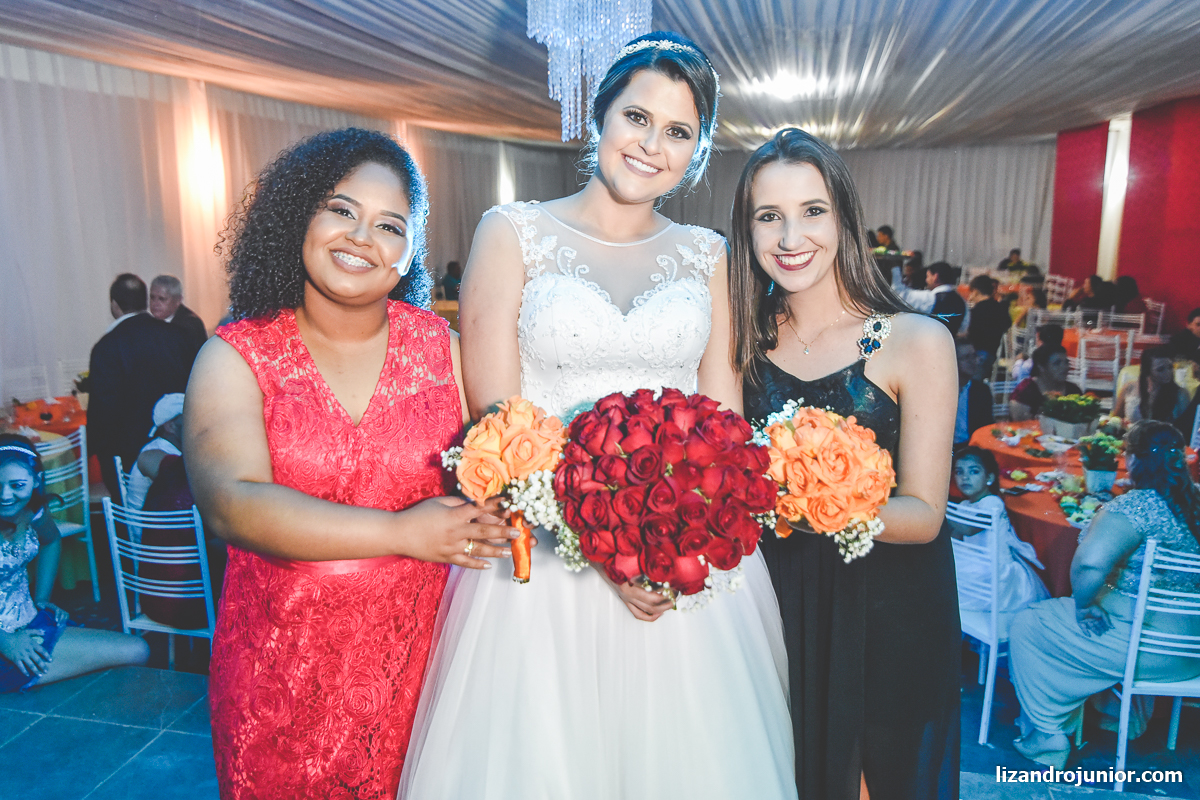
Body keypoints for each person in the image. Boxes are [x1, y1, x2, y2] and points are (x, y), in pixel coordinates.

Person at [400, 34, 796, 799]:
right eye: (637, 118)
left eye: (678, 132)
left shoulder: (708, 255)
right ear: (599, 116)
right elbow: (499, 423)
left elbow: (723, 425)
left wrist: (674, 541)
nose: (652, 145)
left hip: (680, 563)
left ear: (700, 150)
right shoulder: (510, 233)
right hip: (545, 561)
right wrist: (604, 548)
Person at [184, 128, 515, 799]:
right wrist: (402, 533)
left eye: (390, 225)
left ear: (410, 251)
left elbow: (515, 458)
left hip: (426, 678)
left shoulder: (446, 351)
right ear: (299, 215)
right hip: (280, 683)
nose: (362, 237)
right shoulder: (236, 355)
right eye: (341, 210)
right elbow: (232, 503)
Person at [734, 128, 961, 799]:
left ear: (845, 218)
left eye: (812, 211)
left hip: (882, 611)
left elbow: (923, 513)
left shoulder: (913, 340)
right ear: (747, 231)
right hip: (774, 601)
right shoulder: (740, 342)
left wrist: (805, 500)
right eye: (767, 217)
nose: (789, 237)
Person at [1008, 421, 1200, 768]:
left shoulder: (1139, 507)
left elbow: (1089, 566)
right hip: (1191, 653)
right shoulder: (1195, 500)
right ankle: (1118, 716)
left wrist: (1083, 607)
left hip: (1144, 650)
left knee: (1029, 623)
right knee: (1090, 619)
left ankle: (1048, 736)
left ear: (1134, 460)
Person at [0, 435, 148, 691]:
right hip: (6, 641)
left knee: (136, 650)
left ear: (36, 481)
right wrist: (8, 643)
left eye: (17, 485)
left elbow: (51, 540)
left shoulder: (32, 511)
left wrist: (41, 600)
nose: (5, 496)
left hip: (27, 623)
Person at [89, 273, 200, 498]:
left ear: (114, 305)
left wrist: (92, 452)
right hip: (173, 448)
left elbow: (102, 412)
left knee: (130, 517)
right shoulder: (177, 336)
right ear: (145, 301)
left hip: (126, 456)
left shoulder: (107, 346)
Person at [947, 447, 1048, 612]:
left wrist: (940, 510)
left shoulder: (993, 503)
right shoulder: (964, 506)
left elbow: (969, 529)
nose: (965, 477)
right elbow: (956, 540)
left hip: (995, 575)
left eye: (974, 471)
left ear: (989, 477)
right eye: (959, 472)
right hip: (978, 567)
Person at [125, 393, 184, 510]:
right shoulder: (158, 454)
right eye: (190, 419)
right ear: (170, 427)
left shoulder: (164, 447)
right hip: (151, 525)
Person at [1114, 347, 1191, 425]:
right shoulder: (1130, 388)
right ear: (1147, 371)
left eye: (1170, 367)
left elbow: (1186, 425)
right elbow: (1115, 419)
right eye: (1160, 369)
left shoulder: (1181, 394)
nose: (1168, 372)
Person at [1008, 344, 1081, 421]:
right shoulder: (1025, 391)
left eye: (1066, 362)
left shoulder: (1073, 391)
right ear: (1041, 367)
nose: (1065, 367)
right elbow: (1019, 425)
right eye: (1057, 363)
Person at [895, 260, 966, 335]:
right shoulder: (962, 302)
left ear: (935, 277)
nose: (926, 280)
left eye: (928, 276)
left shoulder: (930, 298)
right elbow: (963, 328)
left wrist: (895, 267)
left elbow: (900, 294)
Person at [965, 275, 1011, 376]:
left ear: (976, 291)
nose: (970, 297)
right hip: (992, 354)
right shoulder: (1001, 309)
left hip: (976, 355)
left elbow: (969, 333)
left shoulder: (974, 312)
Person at [149, 274, 208, 349]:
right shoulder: (148, 322)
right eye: (152, 297)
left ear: (178, 300)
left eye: (162, 299)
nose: (155, 303)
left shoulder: (189, 326)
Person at [953, 341, 994, 448]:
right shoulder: (942, 391)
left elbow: (987, 427)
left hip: (972, 447)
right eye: (967, 357)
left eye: (974, 356)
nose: (973, 361)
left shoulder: (981, 391)